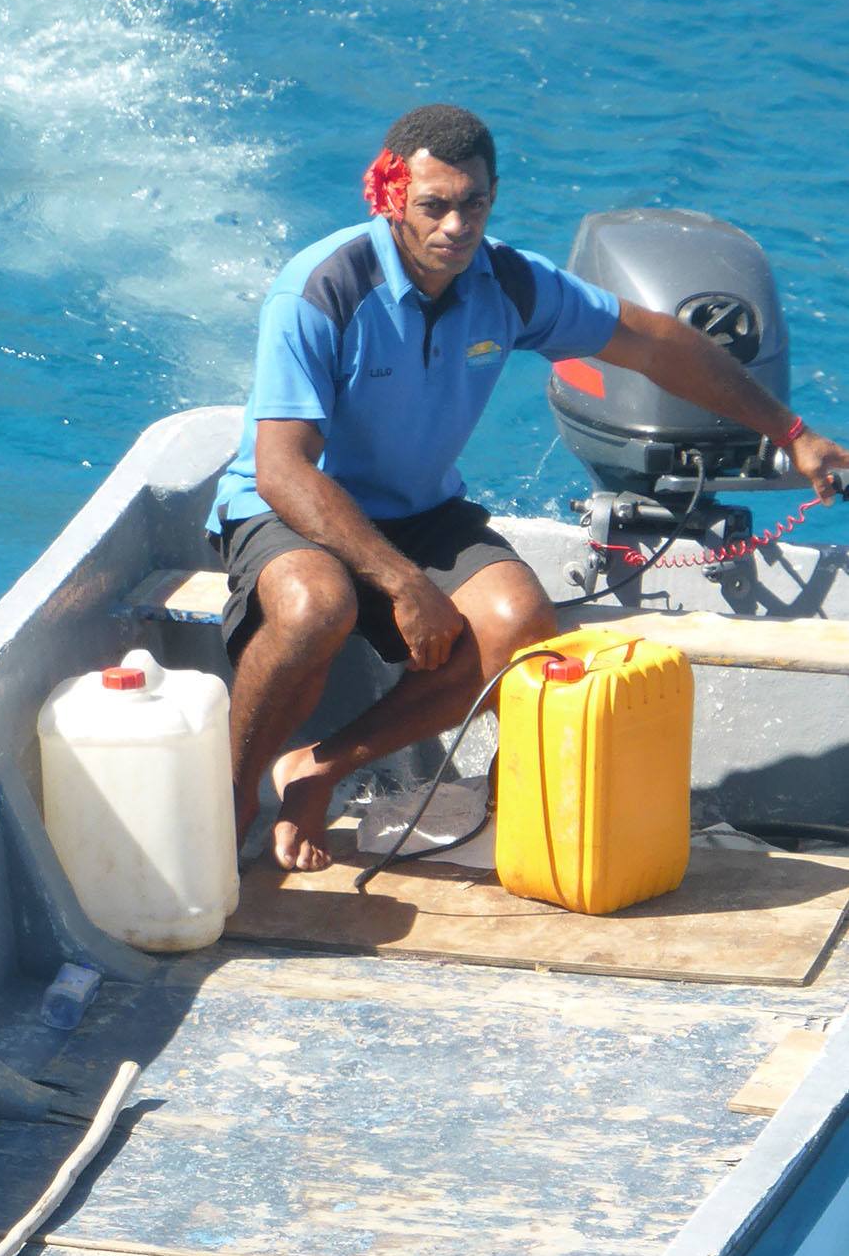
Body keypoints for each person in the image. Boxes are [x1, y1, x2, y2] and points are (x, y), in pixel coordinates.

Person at [210, 103, 849, 871]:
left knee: (519, 627)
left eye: (472, 203)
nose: (454, 226)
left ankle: (315, 769)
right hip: (295, 505)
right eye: (432, 205)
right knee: (318, 604)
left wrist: (791, 432)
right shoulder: (322, 288)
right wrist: (400, 580)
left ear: (492, 194)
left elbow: (655, 345)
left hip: (417, 508)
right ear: (387, 196)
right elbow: (282, 468)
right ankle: (236, 794)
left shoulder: (505, 283)